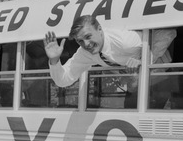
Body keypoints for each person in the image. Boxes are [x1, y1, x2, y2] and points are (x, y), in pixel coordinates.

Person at [43, 15, 176, 88]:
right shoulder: (86, 53)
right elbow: (63, 80)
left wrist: (144, 60)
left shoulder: (124, 41)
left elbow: (168, 33)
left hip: (165, 74)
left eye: (88, 37)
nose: (86, 44)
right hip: (138, 84)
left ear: (100, 29)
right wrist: (54, 61)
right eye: (80, 41)